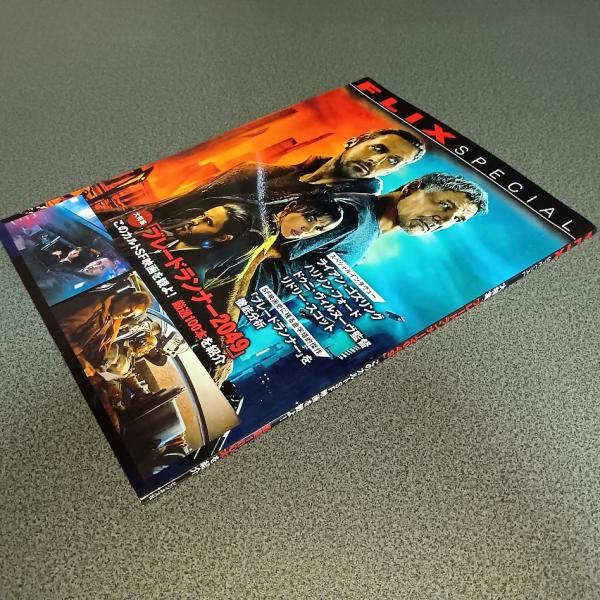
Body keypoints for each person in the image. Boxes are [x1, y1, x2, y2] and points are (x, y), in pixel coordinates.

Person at [251, 173, 489, 298]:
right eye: (445, 206)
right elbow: (257, 251)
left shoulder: (368, 227)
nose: (444, 221)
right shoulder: (351, 215)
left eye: (457, 219)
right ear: (412, 188)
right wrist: (231, 312)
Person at [53, 287, 152, 377]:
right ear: (124, 298)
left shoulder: (116, 321)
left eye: (132, 315)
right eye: (130, 309)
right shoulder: (95, 306)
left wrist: (97, 369)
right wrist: (79, 358)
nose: (127, 315)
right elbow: (62, 330)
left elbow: (104, 346)